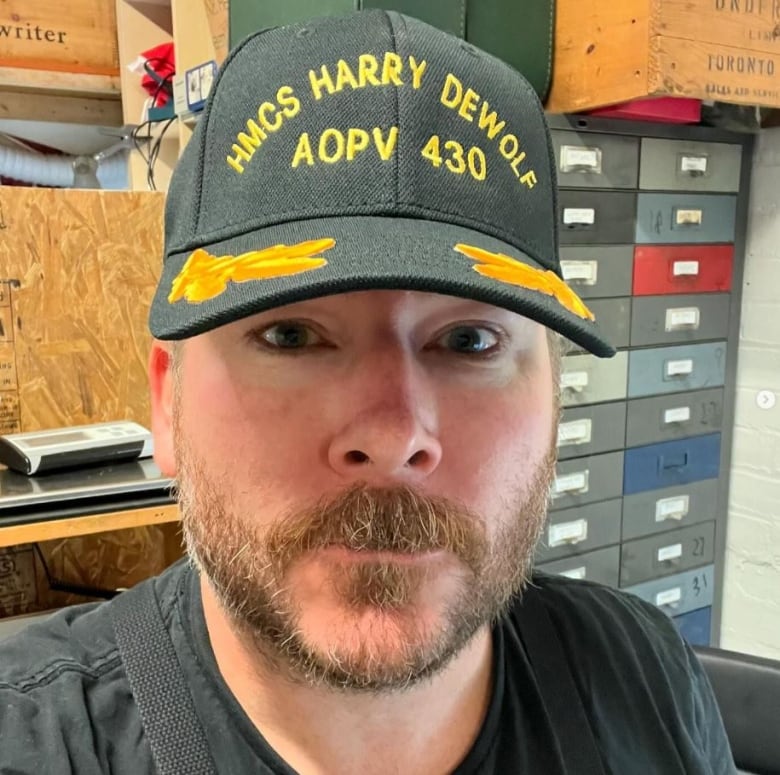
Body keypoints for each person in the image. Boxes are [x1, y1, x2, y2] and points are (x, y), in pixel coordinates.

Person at [0, 10, 735, 774]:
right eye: (291, 335)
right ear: (168, 405)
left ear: (555, 403)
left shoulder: (647, 681)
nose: (393, 433)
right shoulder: (33, 741)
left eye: (469, 341)